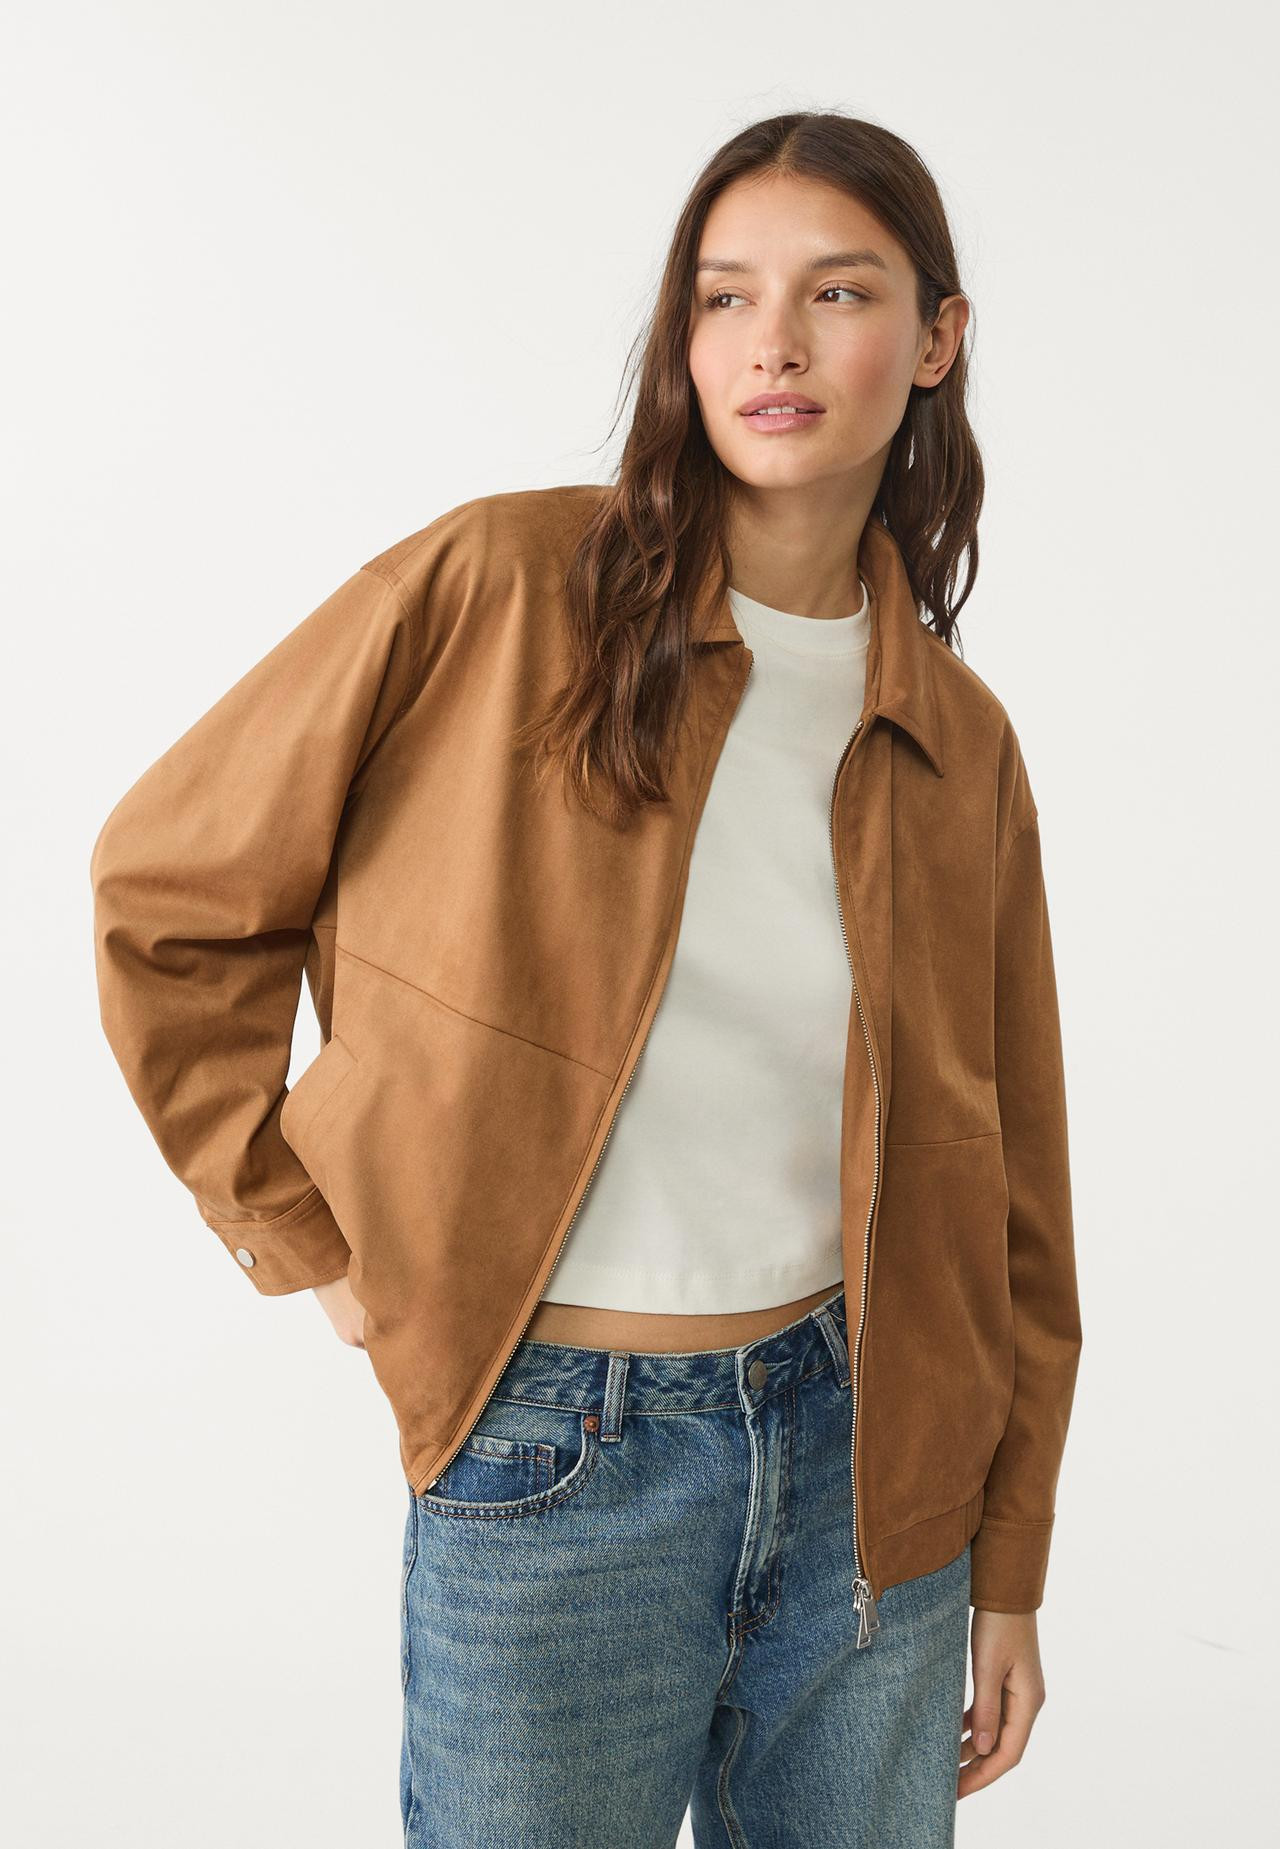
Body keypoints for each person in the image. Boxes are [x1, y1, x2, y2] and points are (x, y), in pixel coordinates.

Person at [89, 110, 1083, 1848]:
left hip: (876, 1475)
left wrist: (1008, 1559)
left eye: (839, 292)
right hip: (556, 1455)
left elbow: (1014, 1182)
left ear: (937, 339)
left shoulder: (954, 734)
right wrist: (304, 1240)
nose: (773, 344)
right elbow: (167, 895)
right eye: (725, 296)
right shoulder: (500, 587)